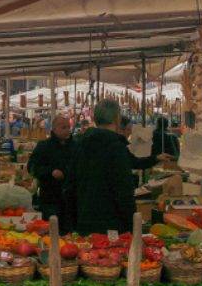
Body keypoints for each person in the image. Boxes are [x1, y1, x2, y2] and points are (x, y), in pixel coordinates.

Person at [74, 100, 171, 234]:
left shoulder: (81, 144)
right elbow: (123, 190)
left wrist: (155, 158)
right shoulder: (115, 147)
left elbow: (71, 183)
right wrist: (131, 225)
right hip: (111, 221)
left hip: (85, 217)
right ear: (116, 118)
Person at [28, 116, 80, 232]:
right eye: (63, 127)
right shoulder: (44, 146)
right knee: (51, 232)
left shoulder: (76, 146)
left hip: (71, 201)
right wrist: (50, 172)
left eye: (68, 127)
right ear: (54, 129)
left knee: (71, 234)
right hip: (50, 199)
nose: (67, 130)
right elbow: (32, 167)